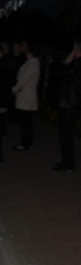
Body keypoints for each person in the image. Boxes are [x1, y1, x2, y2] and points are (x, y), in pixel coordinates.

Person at [53, 38, 81, 173]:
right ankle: (66, 162)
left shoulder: (76, 64)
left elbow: (60, 72)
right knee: (65, 134)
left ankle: (69, 164)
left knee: (66, 135)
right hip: (71, 103)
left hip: (70, 103)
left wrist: (67, 60)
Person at [11, 44, 40, 151]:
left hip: (26, 95)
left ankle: (25, 143)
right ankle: (27, 141)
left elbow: (23, 80)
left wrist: (14, 89)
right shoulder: (32, 64)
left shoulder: (32, 65)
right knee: (26, 120)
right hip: (26, 94)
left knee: (25, 121)